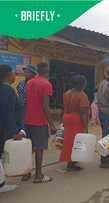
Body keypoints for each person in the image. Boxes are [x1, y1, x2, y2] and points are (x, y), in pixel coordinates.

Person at [24, 63, 56, 183]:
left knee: (29, 148)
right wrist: (52, 124)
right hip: (39, 121)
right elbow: (45, 106)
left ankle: (26, 173)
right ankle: (38, 175)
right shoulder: (46, 84)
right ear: (47, 71)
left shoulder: (29, 82)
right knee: (39, 148)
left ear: (37, 71)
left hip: (27, 119)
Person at [0, 64, 24, 192]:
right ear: (8, 75)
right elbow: (7, 113)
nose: (15, 75)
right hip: (3, 129)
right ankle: (1, 185)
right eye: (13, 73)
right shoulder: (7, 90)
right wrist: (14, 131)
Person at [60, 75, 89, 171]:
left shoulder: (67, 93)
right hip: (76, 118)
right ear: (81, 84)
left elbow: (63, 108)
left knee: (68, 140)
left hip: (66, 116)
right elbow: (84, 113)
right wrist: (85, 126)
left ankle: (70, 161)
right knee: (76, 141)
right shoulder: (82, 95)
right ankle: (72, 162)